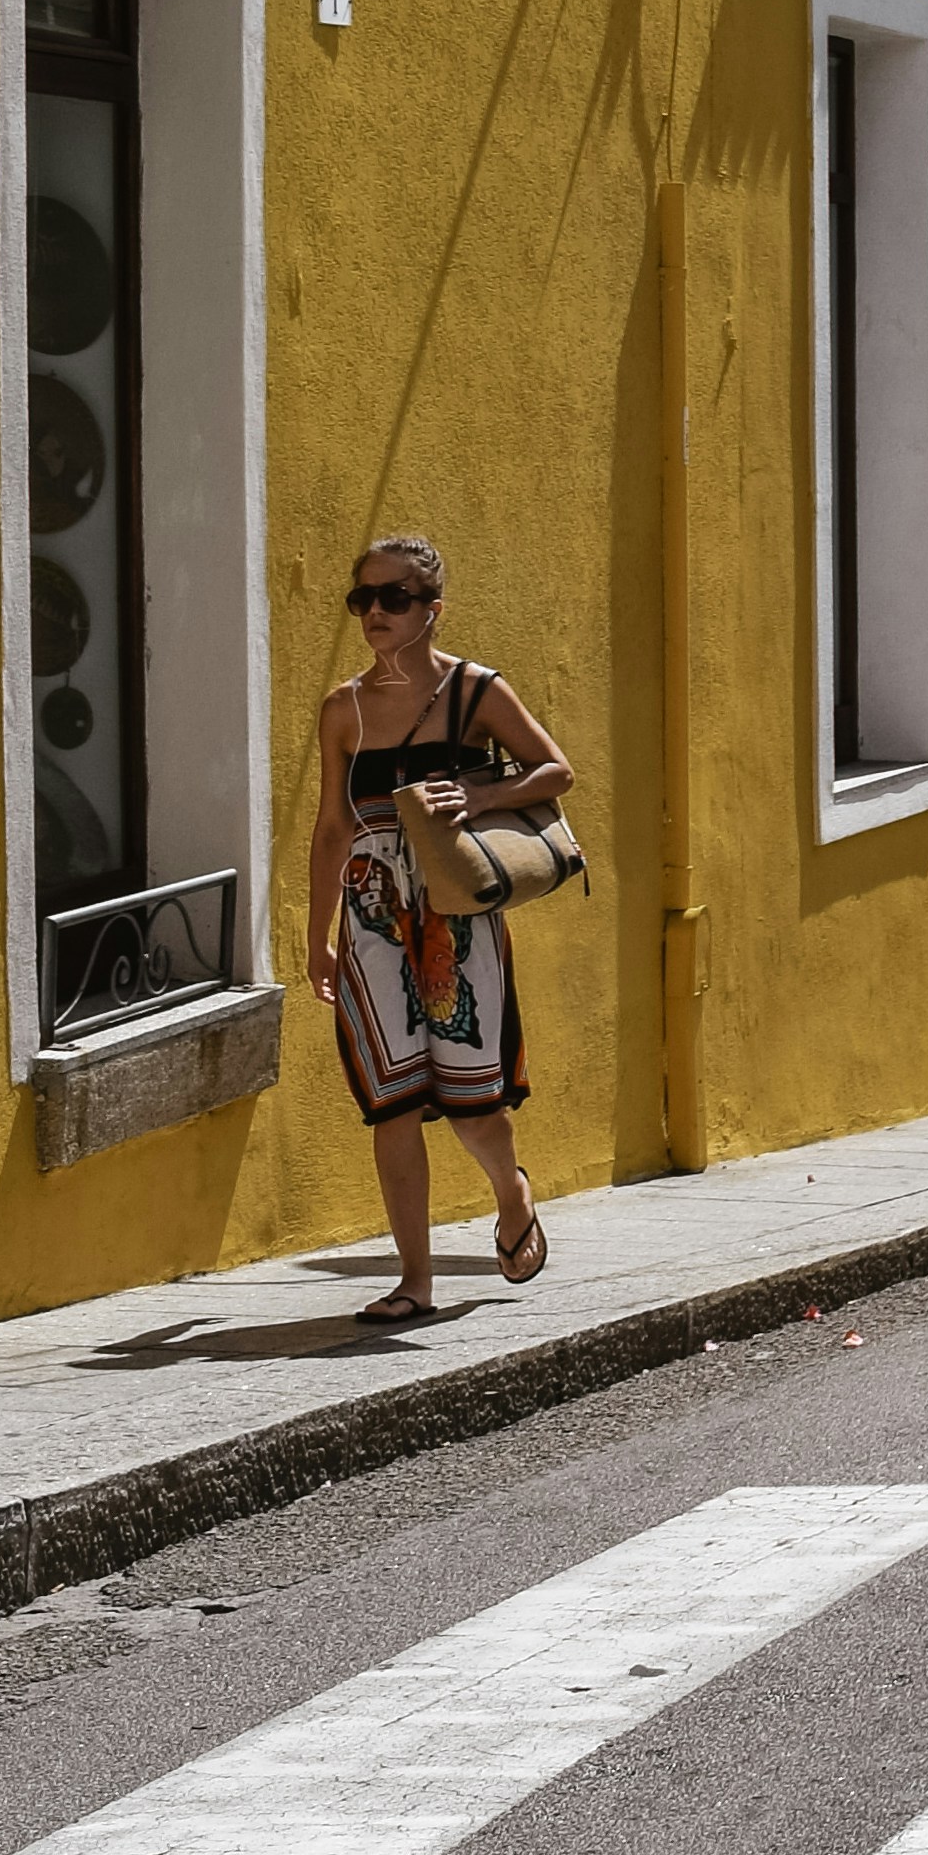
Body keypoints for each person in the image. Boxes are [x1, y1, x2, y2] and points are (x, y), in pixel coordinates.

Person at [318, 534, 573, 1324]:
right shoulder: (342, 710)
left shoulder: (475, 692)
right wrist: (311, 935)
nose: (375, 615)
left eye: (393, 598)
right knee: (390, 1101)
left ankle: (510, 1192)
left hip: (457, 917)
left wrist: (481, 797)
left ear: (432, 609)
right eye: (364, 600)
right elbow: (331, 827)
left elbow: (555, 770)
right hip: (369, 916)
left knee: (469, 1103)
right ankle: (414, 1281)